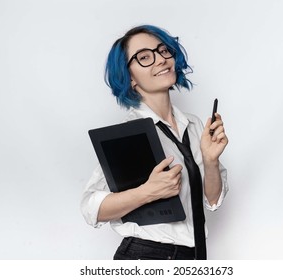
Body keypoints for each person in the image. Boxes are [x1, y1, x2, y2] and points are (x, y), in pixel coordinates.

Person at [81, 25, 229, 260]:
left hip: (193, 257)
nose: (160, 59)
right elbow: (91, 208)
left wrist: (211, 161)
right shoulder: (128, 134)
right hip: (148, 256)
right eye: (145, 57)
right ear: (129, 78)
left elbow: (212, 201)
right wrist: (147, 193)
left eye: (163, 51)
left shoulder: (194, 125)